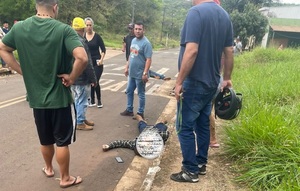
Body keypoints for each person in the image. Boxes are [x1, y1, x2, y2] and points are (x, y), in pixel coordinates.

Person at [0, 0, 88, 188]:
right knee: (62, 142)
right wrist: (72, 77)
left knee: (45, 138)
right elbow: (82, 57)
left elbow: (3, 49)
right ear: (55, 7)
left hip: (36, 99)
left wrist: (23, 70)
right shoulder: (64, 30)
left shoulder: (20, 28)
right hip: (59, 98)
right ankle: (65, 178)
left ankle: (48, 168)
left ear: (36, 6)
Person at [171, 0, 234, 183]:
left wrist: (179, 82)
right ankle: (200, 164)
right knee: (202, 124)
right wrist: (227, 78)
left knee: (184, 127)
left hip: (195, 82)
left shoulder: (195, 13)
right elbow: (229, 51)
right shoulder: (224, 15)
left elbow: (191, 51)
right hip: (213, 82)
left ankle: (190, 171)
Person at [120, 21, 153, 119]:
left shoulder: (146, 43)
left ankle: (140, 112)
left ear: (144, 30)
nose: (138, 31)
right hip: (132, 73)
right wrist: (127, 67)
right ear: (133, 30)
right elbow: (131, 55)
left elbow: (148, 59)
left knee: (141, 93)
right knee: (129, 91)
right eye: (136, 29)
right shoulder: (133, 40)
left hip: (140, 74)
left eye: (140, 29)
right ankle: (129, 110)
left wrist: (145, 73)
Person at [71, 17, 97, 131]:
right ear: (83, 28)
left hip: (73, 76)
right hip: (82, 78)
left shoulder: (69, 40)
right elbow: (87, 63)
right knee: (82, 100)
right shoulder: (81, 42)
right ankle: (80, 122)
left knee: (77, 99)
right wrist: (94, 79)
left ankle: (80, 118)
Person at [102, 114, 169, 155]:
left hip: (145, 132)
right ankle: (162, 121)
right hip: (154, 132)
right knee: (161, 125)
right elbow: (166, 134)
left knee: (141, 123)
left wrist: (109, 146)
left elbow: (121, 143)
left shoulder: (134, 144)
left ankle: (140, 118)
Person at [84, 17, 106, 108]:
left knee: (95, 80)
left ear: (93, 25)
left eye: (90, 25)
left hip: (97, 62)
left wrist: (101, 59)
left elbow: (103, 49)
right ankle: (92, 100)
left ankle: (99, 100)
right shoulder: (83, 36)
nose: (89, 27)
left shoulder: (97, 37)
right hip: (88, 63)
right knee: (90, 81)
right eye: (87, 25)